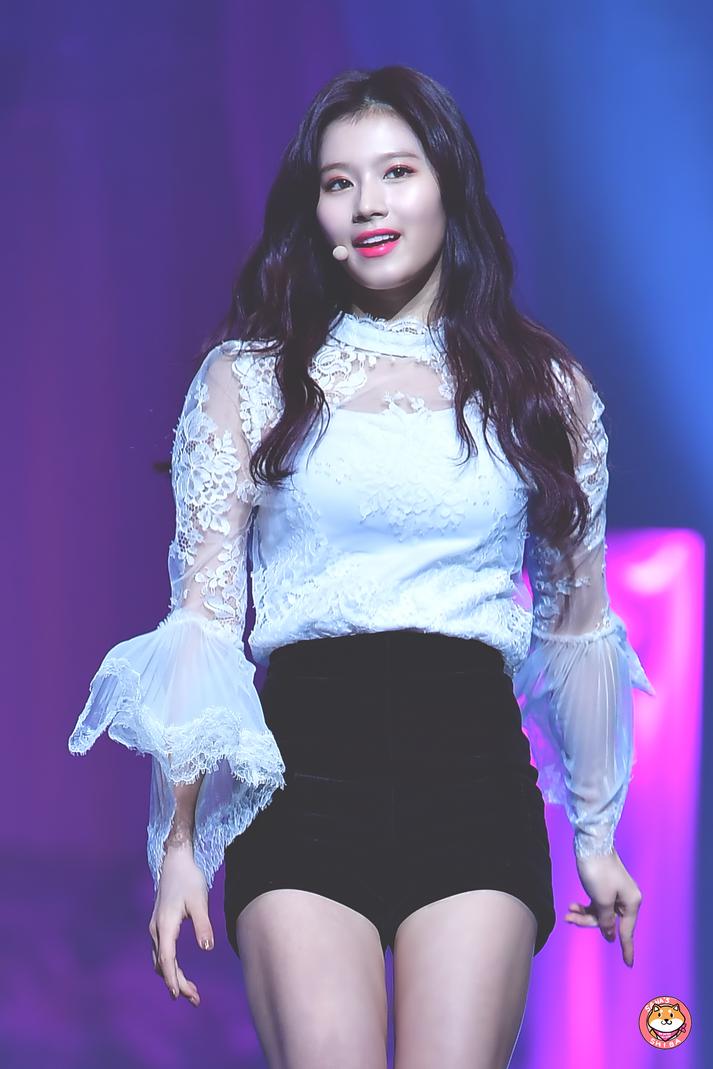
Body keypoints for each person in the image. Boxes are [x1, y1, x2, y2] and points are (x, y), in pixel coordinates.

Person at [68, 65, 655, 1069]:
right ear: (316, 211)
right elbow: (202, 621)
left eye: (395, 172)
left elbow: (575, 627)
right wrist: (178, 843)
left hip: (471, 780)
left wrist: (595, 837)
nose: (368, 203)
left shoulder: (540, 388)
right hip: (299, 782)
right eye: (338, 182)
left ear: (447, 185)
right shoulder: (248, 380)